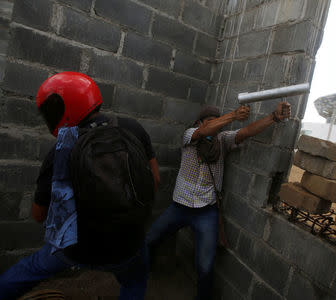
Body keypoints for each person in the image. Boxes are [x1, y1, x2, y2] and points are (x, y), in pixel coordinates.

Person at [0, 72, 160, 300]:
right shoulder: (132, 128)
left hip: (74, 249)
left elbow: (38, 214)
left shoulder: (60, 150)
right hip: (127, 245)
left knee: (27, 271)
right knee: (136, 281)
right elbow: (154, 181)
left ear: (64, 108)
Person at [145, 101, 291, 299]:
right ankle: (144, 273)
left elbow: (246, 131)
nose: (215, 126)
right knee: (150, 239)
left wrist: (273, 117)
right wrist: (232, 116)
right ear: (199, 123)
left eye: (217, 122)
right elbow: (203, 131)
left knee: (205, 266)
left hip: (206, 212)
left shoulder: (222, 140)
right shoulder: (189, 135)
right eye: (209, 122)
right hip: (180, 206)